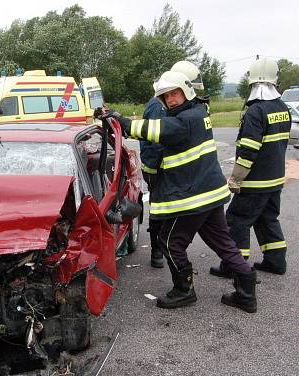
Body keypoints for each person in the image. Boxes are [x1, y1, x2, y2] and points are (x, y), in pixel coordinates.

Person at [100, 71, 257, 313]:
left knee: (170, 242)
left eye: (175, 94)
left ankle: (184, 290)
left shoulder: (184, 121)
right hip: (211, 194)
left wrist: (118, 120)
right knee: (223, 242)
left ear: (187, 91)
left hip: (193, 197)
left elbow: (150, 130)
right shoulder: (198, 113)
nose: (171, 99)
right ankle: (246, 293)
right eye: (166, 96)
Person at [210, 57, 290, 279]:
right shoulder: (282, 107)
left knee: (236, 220)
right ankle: (276, 261)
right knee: (267, 219)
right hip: (275, 179)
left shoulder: (255, 111)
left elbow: (248, 151)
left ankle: (234, 266)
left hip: (255, 181)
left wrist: (235, 179)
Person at [140, 61, 206, 269]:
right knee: (160, 210)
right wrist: (153, 172)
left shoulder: (175, 104)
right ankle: (157, 251)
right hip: (158, 169)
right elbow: (157, 142)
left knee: (172, 210)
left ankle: (168, 248)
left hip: (170, 168)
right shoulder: (158, 105)